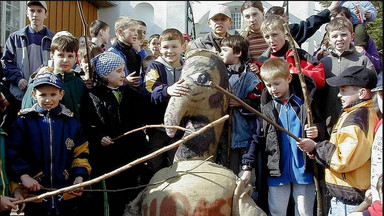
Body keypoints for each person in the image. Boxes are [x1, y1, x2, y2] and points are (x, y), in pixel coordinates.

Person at [240, 58, 325, 216]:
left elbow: (321, 124)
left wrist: (317, 131)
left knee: (304, 211)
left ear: (289, 78)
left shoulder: (304, 102)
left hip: (304, 169)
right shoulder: (266, 108)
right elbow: (255, 138)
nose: (273, 89)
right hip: (277, 170)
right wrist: (247, 166)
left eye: (277, 83)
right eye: (268, 85)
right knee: (277, 210)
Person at [297, 66, 379, 216]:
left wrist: (316, 147)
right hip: (348, 195)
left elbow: (343, 160)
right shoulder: (356, 113)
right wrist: (318, 153)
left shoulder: (357, 119)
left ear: (362, 92)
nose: (339, 96)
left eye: (343, 90)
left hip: (350, 199)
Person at [6, 72, 91, 216]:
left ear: (61, 94)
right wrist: (24, 177)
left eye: (53, 94)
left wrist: (79, 176)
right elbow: (13, 153)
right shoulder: (23, 122)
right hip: (34, 198)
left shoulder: (72, 123)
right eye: (42, 95)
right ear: (33, 94)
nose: (48, 99)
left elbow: (81, 153)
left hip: (66, 195)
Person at [81, 51, 148, 216]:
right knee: (108, 198)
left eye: (123, 69)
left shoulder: (133, 95)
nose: (123, 74)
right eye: (118, 71)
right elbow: (87, 124)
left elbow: (141, 121)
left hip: (130, 156)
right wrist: (98, 137)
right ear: (104, 75)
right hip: (105, 159)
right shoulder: (92, 96)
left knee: (129, 194)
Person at [143, 28, 188, 183]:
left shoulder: (188, 67)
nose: (170, 51)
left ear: (183, 47)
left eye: (174, 47)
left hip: (181, 127)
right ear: (159, 48)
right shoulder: (154, 67)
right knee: (154, 165)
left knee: (176, 166)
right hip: (158, 127)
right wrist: (167, 90)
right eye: (165, 47)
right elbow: (149, 90)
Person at [317, 16, 375, 135]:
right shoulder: (323, 63)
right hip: (329, 121)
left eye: (344, 35)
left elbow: (372, 91)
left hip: (356, 121)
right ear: (329, 39)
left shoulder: (362, 60)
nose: (339, 39)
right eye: (334, 36)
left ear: (352, 36)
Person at [1, 1, 54, 124]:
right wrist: (18, 79)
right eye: (32, 10)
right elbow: (6, 63)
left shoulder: (53, 40)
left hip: (44, 97)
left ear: (46, 14)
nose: (35, 14)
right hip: (18, 97)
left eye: (39, 11)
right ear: (26, 13)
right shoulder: (15, 38)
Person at [218, 35, 262, 174]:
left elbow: (257, 103)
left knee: (238, 171)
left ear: (237, 53)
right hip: (223, 132)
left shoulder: (250, 78)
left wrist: (241, 103)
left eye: (224, 50)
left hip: (242, 133)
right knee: (226, 168)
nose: (221, 54)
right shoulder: (220, 74)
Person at [240, 1, 340, 62]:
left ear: (263, 13)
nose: (251, 19)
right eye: (247, 16)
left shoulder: (285, 31)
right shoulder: (242, 41)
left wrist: (329, 9)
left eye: (255, 14)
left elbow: (308, 24)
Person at [21, 34, 87, 121]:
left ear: (75, 58)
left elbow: (85, 115)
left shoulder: (79, 84)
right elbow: (27, 114)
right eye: (61, 55)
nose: (65, 60)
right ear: (52, 56)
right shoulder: (39, 82)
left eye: (70, 56)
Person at [258, 14, 326, 90]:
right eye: (267, 37)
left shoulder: (300, 55)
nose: (271, 40)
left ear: (285, 32)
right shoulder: (262, 61)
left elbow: (320, 79)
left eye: (275, 35)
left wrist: (296, 72)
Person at [314, 6, 382, 73]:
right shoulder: (327, 41)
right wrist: (320, 55)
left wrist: (364, 53)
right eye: (333, 22)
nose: (339, 39)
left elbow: (378, 66)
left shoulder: (363, 38)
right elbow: (313, 63)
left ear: (350, 20)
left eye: (341, 20)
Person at [108, 16, 142, 90]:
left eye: (136, 31)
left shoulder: (134, 52)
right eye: (132, 30)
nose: (136, 34)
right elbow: (109, 78)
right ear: (120, 32)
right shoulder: (112, 53)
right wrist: (125, 81)